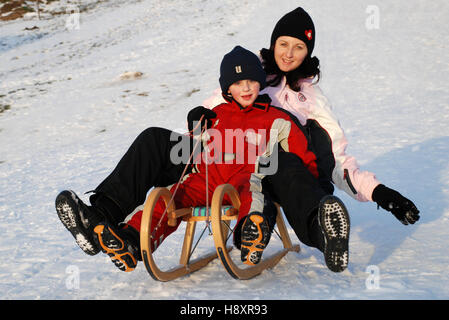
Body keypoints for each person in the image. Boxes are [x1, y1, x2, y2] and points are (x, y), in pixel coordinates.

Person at [55, 7, 419, 273]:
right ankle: (101, 217)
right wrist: (197, 116)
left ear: (308, 53)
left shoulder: (309, 102)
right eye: (283, 43)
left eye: (299, 47)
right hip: (216, 161)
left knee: (281, 165)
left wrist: (380, 193)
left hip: (267, 171)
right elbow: (212, 121)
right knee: (153, 140)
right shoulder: (246, 72)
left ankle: (321, 233)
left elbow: (338, 160)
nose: (289, 52)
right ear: (273, 44)